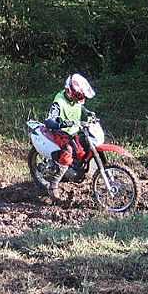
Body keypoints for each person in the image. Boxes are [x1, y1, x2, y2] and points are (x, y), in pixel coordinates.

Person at [43, 73, 97, 201]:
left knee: (83, 148)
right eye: (79, 95)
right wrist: (60, 122)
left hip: (72, 132)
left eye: (81, 96)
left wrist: (88, 113)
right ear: (69, 91)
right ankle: (53, 185)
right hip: (59, 132)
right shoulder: (59, 101)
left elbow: (79, 106)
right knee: (68, 152)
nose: (80, 98)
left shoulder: (75, 99)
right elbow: (49, 119)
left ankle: (77, 172)